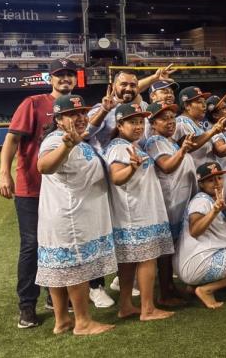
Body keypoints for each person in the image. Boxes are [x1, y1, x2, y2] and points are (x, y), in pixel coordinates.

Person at [0, 58, 89, 328]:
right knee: (31, 246)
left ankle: (54, 296)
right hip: (32, 187)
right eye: (60, 75)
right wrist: (4, 172)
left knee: (59, 245)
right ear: (51, 78)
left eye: (70, 75)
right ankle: (27, 305)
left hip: (61, 191)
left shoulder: (77, 105)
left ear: (75, 79)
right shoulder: (33, 103)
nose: (65, 79)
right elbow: (12, 139)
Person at [36, 94, 117, 335]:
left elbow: (88, 128)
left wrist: (102, 110)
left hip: (64, 214)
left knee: (61, 269)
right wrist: (66, 145)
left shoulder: (76, 138)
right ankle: (82, 322)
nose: (80, 117)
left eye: (82, 112)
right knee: (75, 270)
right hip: (70, 217)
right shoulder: (57, 140)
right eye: (73, 114)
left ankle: (62, 321)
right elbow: (44, 166)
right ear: (59, 119)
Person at [104, 103, 174, 321]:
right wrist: (132, 168)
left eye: (140, 121)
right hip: (135, 214)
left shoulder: (127, 144)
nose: (138, 126)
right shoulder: (119, 147)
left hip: (133, 213)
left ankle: (125, 305)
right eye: (132, 121)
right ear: (119, 124)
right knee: (147, 260)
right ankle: (147, 308)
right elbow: (116, 177)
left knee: (128, 263)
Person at [174, 162, 226, 308]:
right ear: (201, 184)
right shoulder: (201, 200)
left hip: (195, 260)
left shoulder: (213, 199)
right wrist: (214, 212)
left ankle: (193, 286)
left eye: (219, 178)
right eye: (211, 180)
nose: (217, 183)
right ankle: (206, 289)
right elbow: (195, 230)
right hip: (197, 261)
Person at [143, 102, 197, 305]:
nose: (170, 122)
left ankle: (171, 288)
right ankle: (164, 293)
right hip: (168, 202)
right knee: (165, 250)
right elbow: (166, 167)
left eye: (172, 117)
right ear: (153, 124)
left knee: (173, 247)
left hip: (178, 200)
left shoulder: (169, 141)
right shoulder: (154, 141)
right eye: (164, 118)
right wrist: (183, 151)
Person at [174, 86, 226, 168]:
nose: (204, 105)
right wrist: (212, 131)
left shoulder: (197, 124)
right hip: (192, 175)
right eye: (199, 102)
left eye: (204, 102)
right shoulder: (181, 122)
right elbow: (190, 145)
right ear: (187, 106)